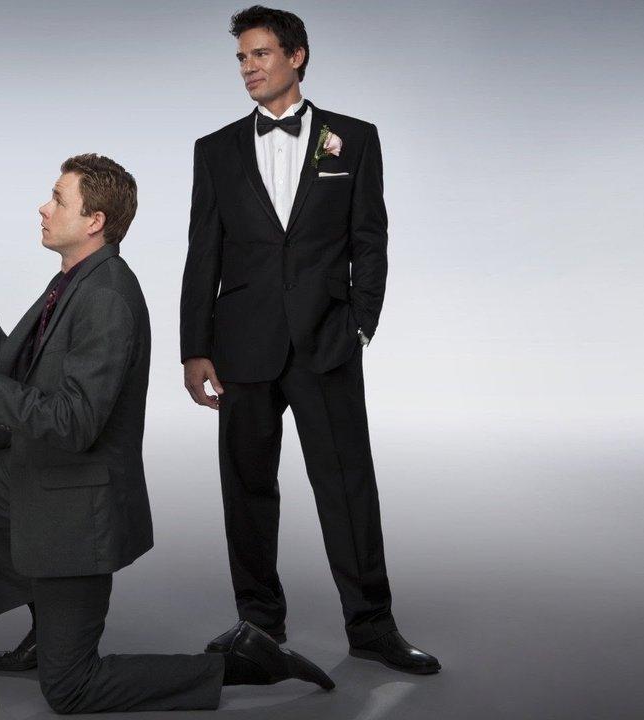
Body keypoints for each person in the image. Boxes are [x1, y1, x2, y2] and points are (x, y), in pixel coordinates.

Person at [0, 154, 333, 714]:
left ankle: (242, 662)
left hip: (76, 502)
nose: (43, 207)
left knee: (70, 689)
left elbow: (75, 421)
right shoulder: (74, 280)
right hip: (39, 473)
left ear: (94, 221)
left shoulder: (106, 296)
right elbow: (31, 374)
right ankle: (45, 623)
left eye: (58, 199)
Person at [179, 6, 440, 674]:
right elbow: (202, 253)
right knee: (246, 489)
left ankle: (372, 626)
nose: (248, 68)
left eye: (260, 54)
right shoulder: (215, 149)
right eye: (241, 58)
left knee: (348, 486)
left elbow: (370, 239)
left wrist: (360, 322)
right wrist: (195, 348)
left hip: (327, 341)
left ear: (296, 56)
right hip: (242, 346)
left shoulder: (354, 138)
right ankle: (259, 625)